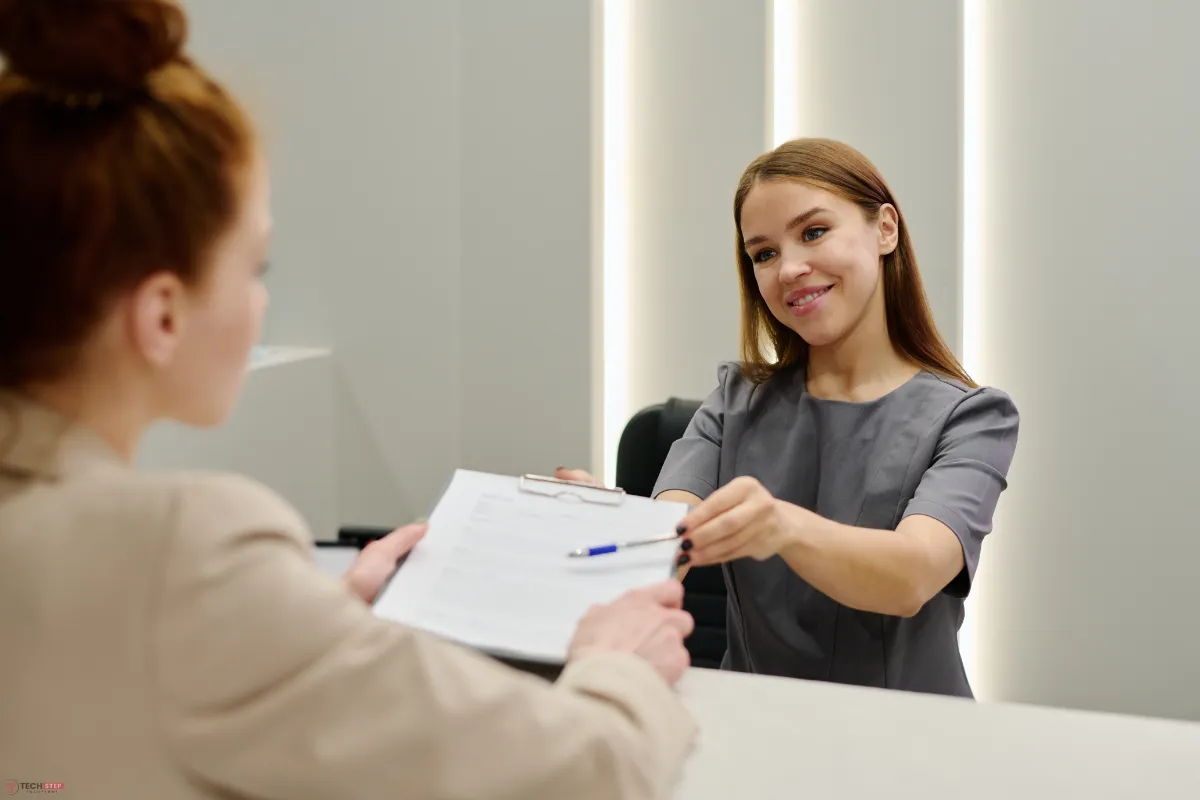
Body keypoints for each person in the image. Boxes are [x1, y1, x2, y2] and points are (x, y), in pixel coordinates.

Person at [0, 2, 695, 798]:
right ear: (162, 313)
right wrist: (617, 664)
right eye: (255, 268)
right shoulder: (182, 552)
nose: (262, 302)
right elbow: (586, 773)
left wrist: (308, 625)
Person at [560, 138, 1019, 697]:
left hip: (907, 743)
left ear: (885, 230)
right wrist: (599, 526)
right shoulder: (735, 401)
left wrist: (781, 527)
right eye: (764, 254)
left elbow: (912, 575)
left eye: (813, 232)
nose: (790, 269)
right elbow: (664, 543)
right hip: (752, 726)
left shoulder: (973, 418)